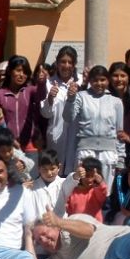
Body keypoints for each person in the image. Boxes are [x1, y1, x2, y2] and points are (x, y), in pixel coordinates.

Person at [64, 65, 126, 187]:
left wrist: (121, 159)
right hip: (86, 151)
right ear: (90, 81)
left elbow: (120, 133)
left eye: (102, 80)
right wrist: (71, 99)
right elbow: (68, 117)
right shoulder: (81, 96)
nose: (99, 83)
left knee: (104, 191)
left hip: (109, 153)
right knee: (85, 189)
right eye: (95, 80)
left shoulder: (116, 102)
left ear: (108, 81)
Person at [0, 55, 42, 162]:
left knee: (31, 178)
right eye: (18, 71)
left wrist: (42, 82)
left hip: (30, 145)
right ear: (10, 71)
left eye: (25, 72)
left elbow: (43, 96)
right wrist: (11, 139)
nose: (21, 75)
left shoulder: (30, 91)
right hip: (9, 148)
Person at [40, 46, 81, 175]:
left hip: (76, 136)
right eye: (63, 61)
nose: (66, 65)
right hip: (56, 138)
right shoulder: (48, 83)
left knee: (74, 176)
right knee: (55, 174)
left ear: (74, 64)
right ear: (57, 63)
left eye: (70, 62)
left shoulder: (82, 82)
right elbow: (45, 114)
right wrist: (50, 98)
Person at [66, 157, 107, 222]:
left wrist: (100, 182)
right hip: (76, 226)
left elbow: (103, 192)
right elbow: (68, 210)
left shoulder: (96, 191)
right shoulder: (74, 191)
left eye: (92, 176)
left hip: (95, 227)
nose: (89, 179)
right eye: (87, 176)